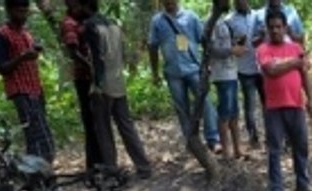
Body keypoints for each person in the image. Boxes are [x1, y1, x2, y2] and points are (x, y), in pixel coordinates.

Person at [79, 0, 151, 177]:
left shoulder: (89, 26)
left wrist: (97, 85)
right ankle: (143, 166)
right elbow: (122, 53)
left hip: (103, 86)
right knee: (126, 125)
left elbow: (97, 58)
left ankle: (111, 168)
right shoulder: (113, 23)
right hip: (118, 80)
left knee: (103, 128)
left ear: (84, 6)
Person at [256, 9, 312, 191]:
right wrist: (295, 63)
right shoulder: (262, 50)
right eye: (271, 27)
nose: (275, 30)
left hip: (296, 103)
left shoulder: (296, 48)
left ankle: (303, 182)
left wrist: (311, 99)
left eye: (278, 27)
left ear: (285, 28)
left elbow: (305, 74)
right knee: (275, 148)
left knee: (301, 145)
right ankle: (277, 188)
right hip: (273, 106)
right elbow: (271, 70)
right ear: (267, 29)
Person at [148, 0, 219, 151]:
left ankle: (213, 138)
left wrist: (208, 64)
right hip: (173, 72)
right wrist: (155, 73)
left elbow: (205, 40)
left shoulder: (191, 17)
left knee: (206, 103)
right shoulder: (157, 21)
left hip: (193, 68)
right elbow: (152, 46)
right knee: (182, 109)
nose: (169, 3)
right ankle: (191, 142)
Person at [0, 0, 54, 163]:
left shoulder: (26, 33)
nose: (23, 15)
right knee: (41, 137)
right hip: (21, 90)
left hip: (36, 89)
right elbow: (2, 67)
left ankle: (35, 181)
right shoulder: (1, 34)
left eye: (25, 11)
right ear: (9, 11)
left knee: (37, 136)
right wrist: (22, 57)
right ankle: (46, 181)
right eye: (19, 11)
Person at [58, 0, 100, 170]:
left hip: (93, 77)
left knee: (97, 121)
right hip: (84, 78)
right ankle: (94, 165)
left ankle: (100, 162)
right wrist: (91, 66)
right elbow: (73, 51)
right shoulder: (69, 23)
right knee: (90, 122)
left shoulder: (83, 20)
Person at [208, 0, 246, 159]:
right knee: (224, 113)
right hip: (221, 74)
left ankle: (237, 149)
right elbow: (211, 49)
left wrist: (238, 44)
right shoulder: (211, 23)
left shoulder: (225, 21)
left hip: (232, 72)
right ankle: (226, 152)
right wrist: (232, 50)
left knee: (234, 113)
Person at [228, 0, 263, 148]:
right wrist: (236, 44)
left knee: (268, 103)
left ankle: (274, 136)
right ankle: (253, 136)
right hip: (244, 69)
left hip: (262, 67)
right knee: (250, 105)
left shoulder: (258, 16)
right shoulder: (229, 20)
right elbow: (228, 44)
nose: (240, 2)